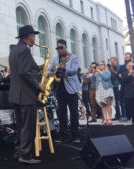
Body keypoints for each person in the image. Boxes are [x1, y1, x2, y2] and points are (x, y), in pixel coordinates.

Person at [9, 25, 44, 164]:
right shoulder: (25, 50)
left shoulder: (14, 50)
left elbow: (23, 69)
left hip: (17, 95)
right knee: (28, 127)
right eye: (33, 35)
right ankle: (25, 155)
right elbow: (24, 72)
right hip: (26, 95)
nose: (34, 38)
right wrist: (38, 85)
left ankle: (19, 152)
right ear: (28, 36)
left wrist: (39, 68)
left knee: (21, 126)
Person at [48, 39, 81, 140]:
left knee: (74, 111)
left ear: (66, 47)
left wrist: (64, 68)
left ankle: (75, 134)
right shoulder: (55, 59)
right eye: (57, 48)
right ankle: (63, 134)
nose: (59, 50)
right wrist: (54, 71)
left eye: (61, 47)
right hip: (59, 88)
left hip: (71, 88)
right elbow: (49, 71)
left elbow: (75, 70)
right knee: (61, 112)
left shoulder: (73, 57)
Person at [94, 61, 115, 125]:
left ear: (104, 65)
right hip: (100, 90)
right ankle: (105, 119)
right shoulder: (97, 73)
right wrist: (96, 72)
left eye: (101, 64)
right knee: (103, 105)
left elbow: (106, 78)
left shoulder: (107, 72)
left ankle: (109, 119)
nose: (100, 66)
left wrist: (100, 72)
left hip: (107, 89)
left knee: (108, 104)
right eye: (99, 65)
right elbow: (94, 79)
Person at [118, 52, 134, 120]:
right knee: (124, 102)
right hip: (124, 86)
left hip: (132, 86)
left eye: (127, 57)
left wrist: (123, 76)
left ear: (130, 57)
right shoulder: (122, 66)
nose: (126, 58)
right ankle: (127, 116)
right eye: (125, 57)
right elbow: (119, 75)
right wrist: (123, 77)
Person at [108, 57, 124, 121]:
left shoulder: (119, 67)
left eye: (113, 61)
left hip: (118, 86)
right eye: (111, 61)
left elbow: (119, 75)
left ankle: (124, 115)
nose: (112, 62)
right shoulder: (110, 68)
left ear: (116, 61)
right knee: (115, 102)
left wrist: (112, 70)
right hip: (112, 86)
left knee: (121, 101)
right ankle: (117, 115)